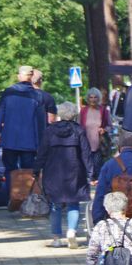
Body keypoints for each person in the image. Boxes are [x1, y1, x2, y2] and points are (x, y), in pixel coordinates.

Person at [34, 103, 93, 248]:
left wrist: (36, 169)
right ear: (74, 114)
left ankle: (56, 238)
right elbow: (86, 153)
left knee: (55, 204)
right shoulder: (79, 130)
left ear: (60, 113)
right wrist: (91, 173)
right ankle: (72, 231)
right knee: (74, 202)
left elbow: (42, 152)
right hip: (75, 171)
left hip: (53, 172)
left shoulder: (50, 130)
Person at [0, 65, 48, 175]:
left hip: (9, 140)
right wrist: (41, 143)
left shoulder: (8, 92)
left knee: (10, 171)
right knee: (27, 173)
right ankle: (25, 187)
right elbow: (41, 123)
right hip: (29, 142)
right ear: (31, 77)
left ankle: (10, 186)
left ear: (19, 76)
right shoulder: (37, 96)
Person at [80, 87, 112, 180]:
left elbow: (110, 126)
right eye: (91, 97)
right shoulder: (83, 111)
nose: (93, 99)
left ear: (99, 98)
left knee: (98, 169)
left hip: (99, 145)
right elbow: (78, 126)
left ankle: (98, 184)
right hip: (86, 144)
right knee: (88, 171)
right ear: (88, 98)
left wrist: (104, 129)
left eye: (95, 97)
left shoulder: (104, 111)